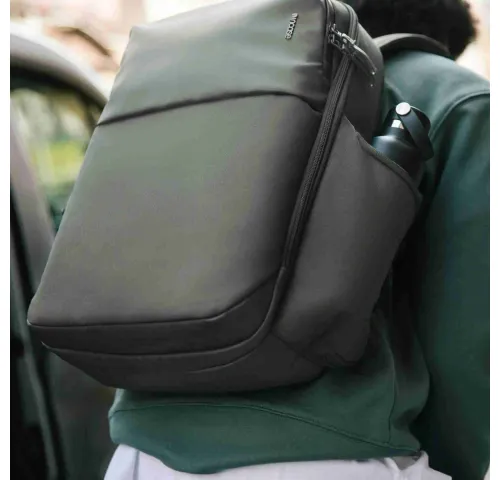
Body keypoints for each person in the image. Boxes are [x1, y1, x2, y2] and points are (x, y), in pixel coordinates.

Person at [105, 0, 489, 478]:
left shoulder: (226, 76)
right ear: (443, 39)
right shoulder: (459, 97)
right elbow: (468, 344)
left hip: (141, 451)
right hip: (339, 453)